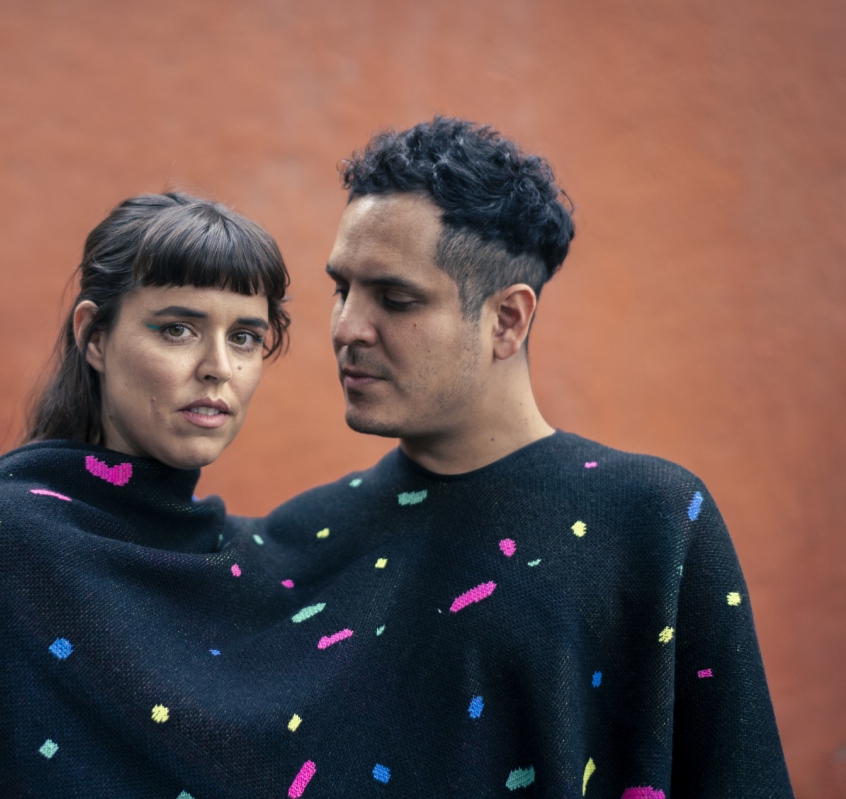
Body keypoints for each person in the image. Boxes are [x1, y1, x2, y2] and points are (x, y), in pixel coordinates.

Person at [252, 117, 794, 797]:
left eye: (395, 298)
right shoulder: (304, 535)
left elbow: (738, 776)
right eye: (342, 289)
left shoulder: (652, 521)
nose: (347, 328)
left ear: (507, 320)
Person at [0, 192, 291, 797]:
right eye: (178, 329)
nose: (218, 366)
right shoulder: (11, 536)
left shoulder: (247, 563)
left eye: (245, 337)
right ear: (94, 337)